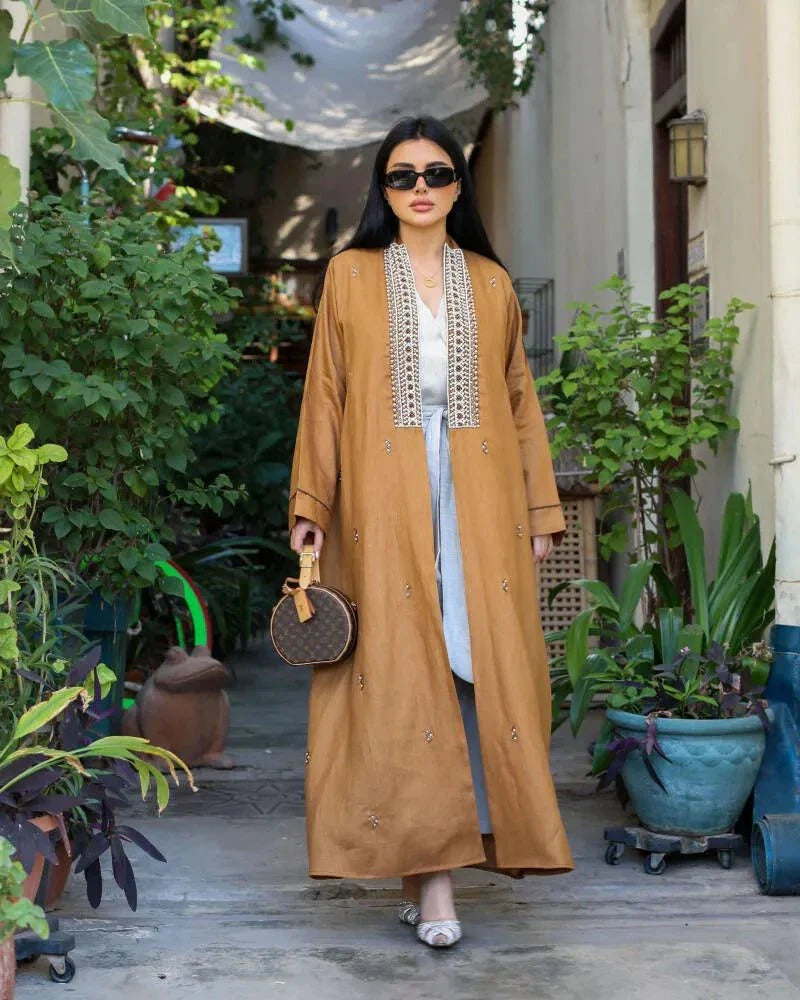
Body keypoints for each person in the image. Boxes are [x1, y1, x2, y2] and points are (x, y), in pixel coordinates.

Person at [288, 115, 573, 949]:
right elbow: (326, 394)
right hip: (380, 500)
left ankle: (434, 867)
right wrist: (311, 505)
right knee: (399, 672)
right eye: (403, 175)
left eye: (437, 174)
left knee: (476, 669)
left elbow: (519, 402)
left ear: (458, 186)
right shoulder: (349, 275)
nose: (421, 189)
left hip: (480, 497)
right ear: (383, 189)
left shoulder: (489, 281)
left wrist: (539, 511)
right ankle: (435, 882)